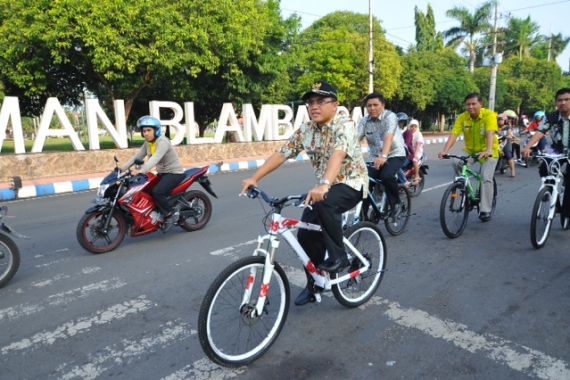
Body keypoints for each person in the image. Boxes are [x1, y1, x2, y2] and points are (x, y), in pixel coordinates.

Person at [240, 80, 368, 306]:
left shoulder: (344, 125)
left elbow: (338, 154)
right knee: (306, 236)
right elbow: (282, 153)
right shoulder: (307, 129)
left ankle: (340, 257)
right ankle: (314, 286)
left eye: (320, 101)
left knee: (325, 203)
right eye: (310, 102)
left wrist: (325, 184)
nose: (314, 107)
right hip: (323, 188)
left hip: (351, 183)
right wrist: (255, 178)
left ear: (335, 105)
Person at [438, 93, 499, 222]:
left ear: (480, 105)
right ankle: (464, 186)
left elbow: (490, 133)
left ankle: (485, 209)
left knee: (486, 178)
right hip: (471, 151)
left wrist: (488, 150)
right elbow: (454, 134)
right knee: (456, 162)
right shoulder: (463, 118)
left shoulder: (489, 115)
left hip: (489, 151)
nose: (470, 107)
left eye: (473, 104)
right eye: (468, 104)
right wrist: (445, 151)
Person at [123, 116, 185, 225]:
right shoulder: (148, 143)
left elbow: (155, 158)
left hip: (174, 173)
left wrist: (140, 171)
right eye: (144, 131)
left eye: (148, 130)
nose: (146, 133)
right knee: (144, 190)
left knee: (157, 192)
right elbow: (137, 157)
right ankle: (154, 213)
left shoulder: (163, 141)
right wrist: (121, 169)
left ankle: (169, 214)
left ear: (156, 131)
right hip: (162, 173)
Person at [523, 88, 570, 223]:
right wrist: (527, 147)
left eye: (567, 99)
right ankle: (550, 192)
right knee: (545, 165)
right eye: (560, 100)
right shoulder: (551, 117)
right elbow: (540, 132)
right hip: (557, 149)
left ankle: (565, 211)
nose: (563, 103)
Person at [357, 93, 406, 219]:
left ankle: (395, 203)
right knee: (364, 181)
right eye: (369, 106)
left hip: (395, 154)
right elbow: (354, 140)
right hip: (375, 156)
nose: (372, 108)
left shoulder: (390, 116)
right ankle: (364, 214)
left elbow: (388, 137)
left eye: (375, 105)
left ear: (383, 105)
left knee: (386, 175)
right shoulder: (364, 121)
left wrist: (384, 156)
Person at [396, 112, 414, 185]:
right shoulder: (396, 131)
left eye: (402, 122)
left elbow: (406, 144)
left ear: (405, 123)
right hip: (398, 154)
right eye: (399, 122)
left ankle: (404, 182)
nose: (400, 124)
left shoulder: (408, 133)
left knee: (396, 166)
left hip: (408, 155)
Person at [408, 119, 425, 184]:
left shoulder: (418, 134)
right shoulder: (408, 133)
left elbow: (418, 145)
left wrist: (415, 155)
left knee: (414, 160)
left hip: (418, 151)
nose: (413, 128)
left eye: (415, 126)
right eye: (412, 126)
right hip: (409, 151)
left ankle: (417, 175)